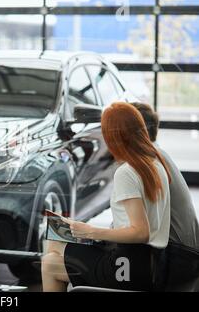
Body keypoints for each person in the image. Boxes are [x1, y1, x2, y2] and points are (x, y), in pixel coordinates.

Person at [41, 102, 171, 292]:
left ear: (114, 137)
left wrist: (91, 231)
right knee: (56, 240)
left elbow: (141, 232)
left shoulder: (127, 172)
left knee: (49, 263)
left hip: (127, 266)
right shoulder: (155, 163)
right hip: (151, 263)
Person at [131, 102, 199, 249]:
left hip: (177, 255)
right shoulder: (158, 154)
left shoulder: (145, 162)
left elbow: (138, 230)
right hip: (187, 248)